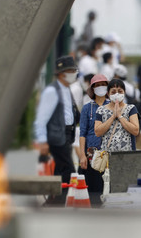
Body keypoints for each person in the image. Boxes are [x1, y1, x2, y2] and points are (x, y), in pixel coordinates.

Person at [34, 56, 80, 205]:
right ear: (61, 73)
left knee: (61, 170)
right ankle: (57, 201)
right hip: (57, 135)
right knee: (68, 169)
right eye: (70, 71)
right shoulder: (51, 91)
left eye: (74, 70)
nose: (74, 73)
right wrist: (42, 141)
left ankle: (54, 200)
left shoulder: (67, 89)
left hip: (67, 134)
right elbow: (41, 118)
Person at [78, 74, 109, 207]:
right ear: (92, 88)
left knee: (107, 184)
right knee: (92, 185)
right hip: (91, 152)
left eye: (103, 84)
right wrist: (82, 155)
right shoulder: (87, 108)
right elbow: (82, 133)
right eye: (97, 85)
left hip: (108, 151)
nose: (100, 87)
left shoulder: (113, 106)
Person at [95, 79, 140, 151]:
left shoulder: (131, 108)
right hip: (106, 154)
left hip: (127, 154)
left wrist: (119, 116)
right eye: (113, 92)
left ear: (124, 92)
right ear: (108, 94)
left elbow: (135, 131)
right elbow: (97, 132)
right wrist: (113, 116)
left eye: (120, 91)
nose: (117, 94)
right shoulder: (101, 110)